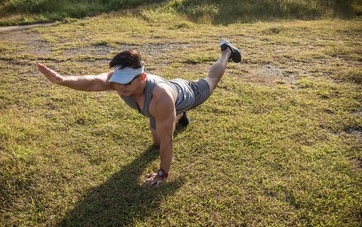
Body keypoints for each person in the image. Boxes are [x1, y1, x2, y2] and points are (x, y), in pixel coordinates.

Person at [37, 40, 241, 186]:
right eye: (119, 81)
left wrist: (162, 173)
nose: (122, 87)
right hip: (161, 109)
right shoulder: (118, 82)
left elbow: (169, 141)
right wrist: (62, 80)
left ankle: (227, 52)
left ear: (142, 77)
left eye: (128, 82)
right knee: (156, 144)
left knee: (211, 81)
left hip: (185, 94)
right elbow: (91, 82)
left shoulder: (159, 97)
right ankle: (177, 116)